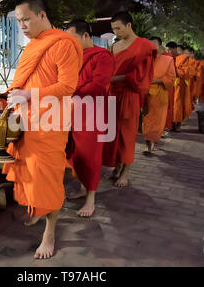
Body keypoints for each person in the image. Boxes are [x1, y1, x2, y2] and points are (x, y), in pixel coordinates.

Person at [3, 0, 83, 259]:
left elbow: (67, 86)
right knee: (28, 173)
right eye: (18, 21)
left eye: (26, 19)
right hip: (26, 121)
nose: (22, 25)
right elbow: (23, 79)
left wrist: (28, 95)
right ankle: (37, 211)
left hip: (50, 123)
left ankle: (50, 232)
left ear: (42, 15)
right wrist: (16, 94)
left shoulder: (63, 44)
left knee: (47, 179)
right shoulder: (32, 46)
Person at [65, 19, 114, 217]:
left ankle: (91, 200)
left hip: (93, 114)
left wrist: (70, 90)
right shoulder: (73, 57)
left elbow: (98, 85)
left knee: (91, 156)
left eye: (72, 38)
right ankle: (83, 188)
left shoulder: (103, 57)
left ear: (86, 36)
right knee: (76, 154)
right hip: (72, 111)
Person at [102, 11, 156, 187]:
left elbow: (140, 75)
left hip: (128, 95)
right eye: (113, 29)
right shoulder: (115, 46)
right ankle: (116, 168)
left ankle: (125, 172)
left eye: (118, 28)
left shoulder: (144, 46)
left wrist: (116, 79)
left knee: (127, 135)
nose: (116, 32)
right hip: (112, 95)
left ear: (129, 25)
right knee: (112, 135)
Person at [142, 37, 176, 153]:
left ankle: (150, 142)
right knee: (146, 119)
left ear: (160, 45)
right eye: (149, 44)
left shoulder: (168, 60)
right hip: (145, 93)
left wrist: (157, 81)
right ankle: (148, 139)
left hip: (159, 94)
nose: (151, 46)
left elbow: (171, 78)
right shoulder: (145, 59)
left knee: (156, 120)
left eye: (154, 44)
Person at [172, 44, 190, 131]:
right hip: (171, 84)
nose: (176, 51)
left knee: (178, 105)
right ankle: (171, 124)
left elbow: (184, 73)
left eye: (178, 50)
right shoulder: (170, 57)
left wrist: (174, 69)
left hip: (179, 84)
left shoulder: (184, 58)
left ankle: (178, 123)